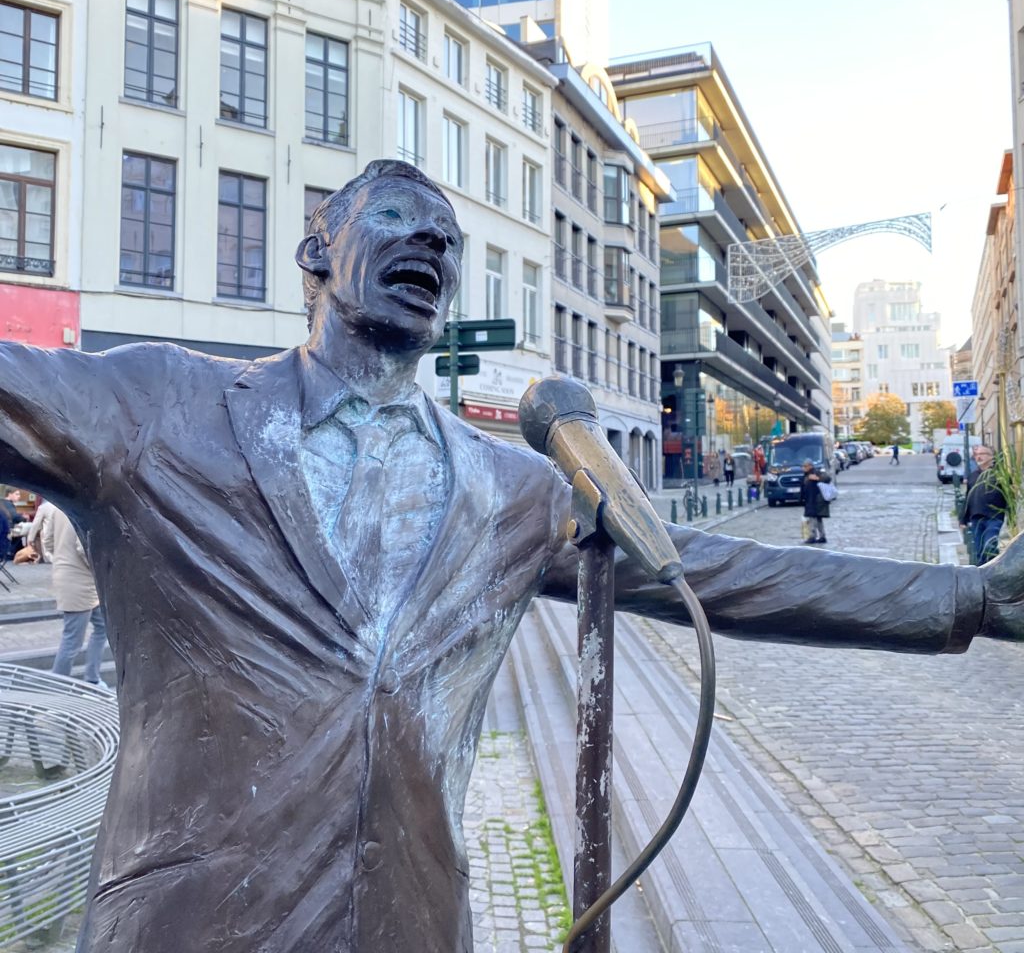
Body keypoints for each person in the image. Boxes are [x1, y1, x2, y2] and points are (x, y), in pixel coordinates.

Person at [0, 160, 1022, 953]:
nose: (433, 244)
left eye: (447, 237)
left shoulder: (507, 487)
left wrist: (968, 597)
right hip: (192, 923)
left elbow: (730, 574)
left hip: (413, 920)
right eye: (398, 218)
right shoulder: (152, 408)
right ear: (316, 251)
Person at [48, 506, 108, 686]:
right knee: (72, 640)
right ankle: (57, 686)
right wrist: (101, 569)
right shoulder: (84, 507)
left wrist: (61, 559)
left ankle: (92, 678)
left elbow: (48, 541)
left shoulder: (56, 507)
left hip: (71, 578)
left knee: (102, 627)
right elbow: (83, 548)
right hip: (79, 582)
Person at [959, 444, 1007, 565]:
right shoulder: (973, 475)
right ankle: (982, 579)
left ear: (991, 456)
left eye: (982, 454)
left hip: (994, 517)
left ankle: (992, 576)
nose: (978, 457)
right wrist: (963, 519)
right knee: (979, 551)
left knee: (990, 548)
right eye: (977, 454)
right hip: (976, 518)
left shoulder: (999, 474)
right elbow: (968, 497)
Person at [799, 459, 831, 544]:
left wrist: (818, 478)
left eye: (805, 466)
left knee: (814, 518)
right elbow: (803, 488)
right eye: (803, 466)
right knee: (815, 518)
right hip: (809, 500)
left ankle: (813, 536)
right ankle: (822, 536)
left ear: (810, 466)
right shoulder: (805, 475)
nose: (803, 468)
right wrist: (801, 499)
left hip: (816, 500)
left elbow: (828, 478)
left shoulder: (816, 472)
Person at [27, 497, 56, 563]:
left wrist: (30, 539)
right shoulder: (62, 507)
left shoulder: (43, 507)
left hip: (48, 534)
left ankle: (49, 559)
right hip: (61, 533)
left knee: (42, 532)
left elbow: (35, 525)